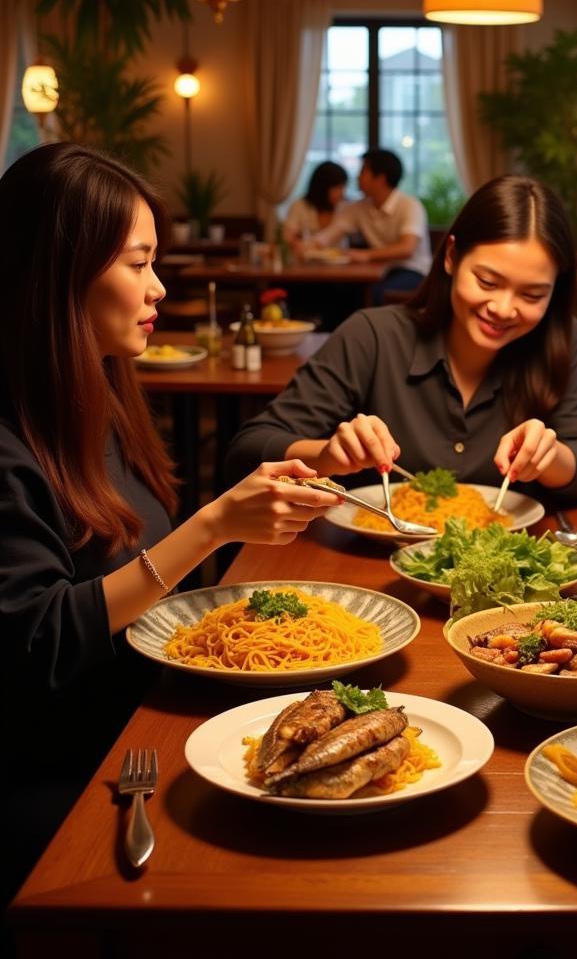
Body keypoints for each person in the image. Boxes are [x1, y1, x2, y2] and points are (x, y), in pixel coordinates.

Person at [0, 143, 340, 904]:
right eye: (136, 263)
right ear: (59, 275)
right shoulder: (11, 442)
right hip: (72, 763)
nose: (158, 288)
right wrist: (214, 525)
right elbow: (37, 642)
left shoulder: (98, 392)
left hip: (149, 715)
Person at [227, 174, 577, 503]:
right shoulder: (373, 335)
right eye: (487, 282)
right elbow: (248, 450)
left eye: (532, 295)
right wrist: (327, 455)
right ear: (450, 256)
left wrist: (553, 457)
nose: (504, 308)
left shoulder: (561, 339)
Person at [304, 147, 432, 305]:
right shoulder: (360, 208)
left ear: (380, 178)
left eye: (363, 171)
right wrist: (306, 246)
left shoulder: (410, 206)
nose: (358, 176)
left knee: (376, 294)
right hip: (377, 271)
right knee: (337, 292)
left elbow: (406, 248)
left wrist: (366, 255)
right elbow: (329, 235)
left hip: (412, 271)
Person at [281, 160, 348, 254]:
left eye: (343, 187)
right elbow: (288, 237)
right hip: (305, 264)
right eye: (337, 188)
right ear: (322, 187)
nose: (341, 193)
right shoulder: (300, 206)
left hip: (340, 265)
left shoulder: (345, 209)